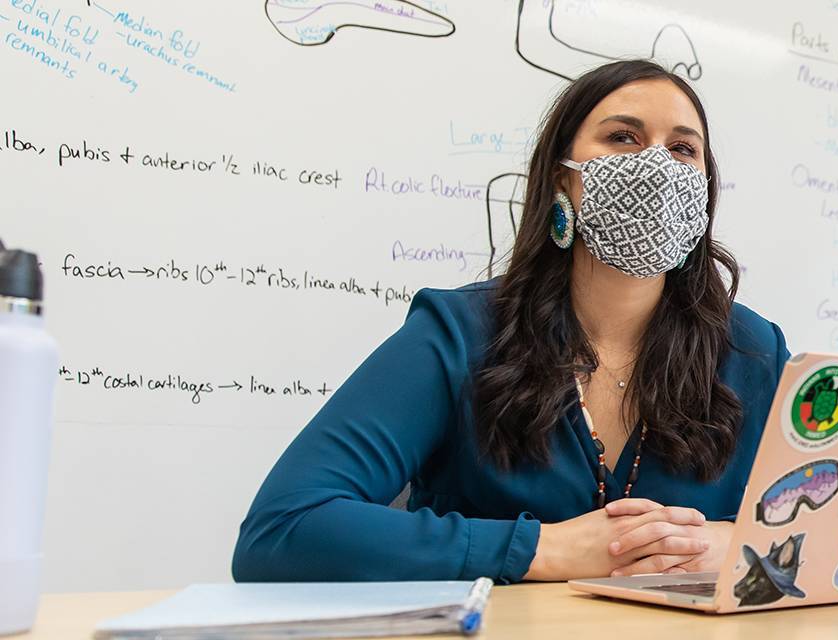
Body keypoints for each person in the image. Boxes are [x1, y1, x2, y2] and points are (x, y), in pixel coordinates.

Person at [233, 60, 788, 583]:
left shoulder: (754, 352)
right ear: (561, 179)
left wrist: (740, 544)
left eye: (683, 149)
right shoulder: (459, 332)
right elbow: (282, 528)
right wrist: (541, 549)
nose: (657, 166)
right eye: (623, 137)